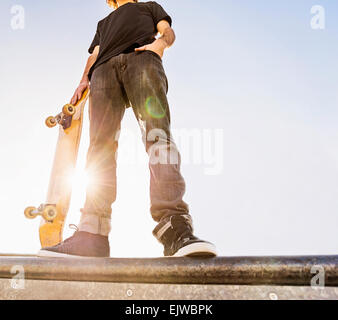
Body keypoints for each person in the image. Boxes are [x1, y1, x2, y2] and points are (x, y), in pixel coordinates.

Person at [39, 0, 217, 258]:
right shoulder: (104, 24)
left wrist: (158, 47)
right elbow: (94, 54)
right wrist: (82, 81)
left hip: (142, 61)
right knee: (99, 148)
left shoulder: (149, 6)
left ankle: (174, 227)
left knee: (158, 137)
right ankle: (92, 234)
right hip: (103, 74)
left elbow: (167, 31)